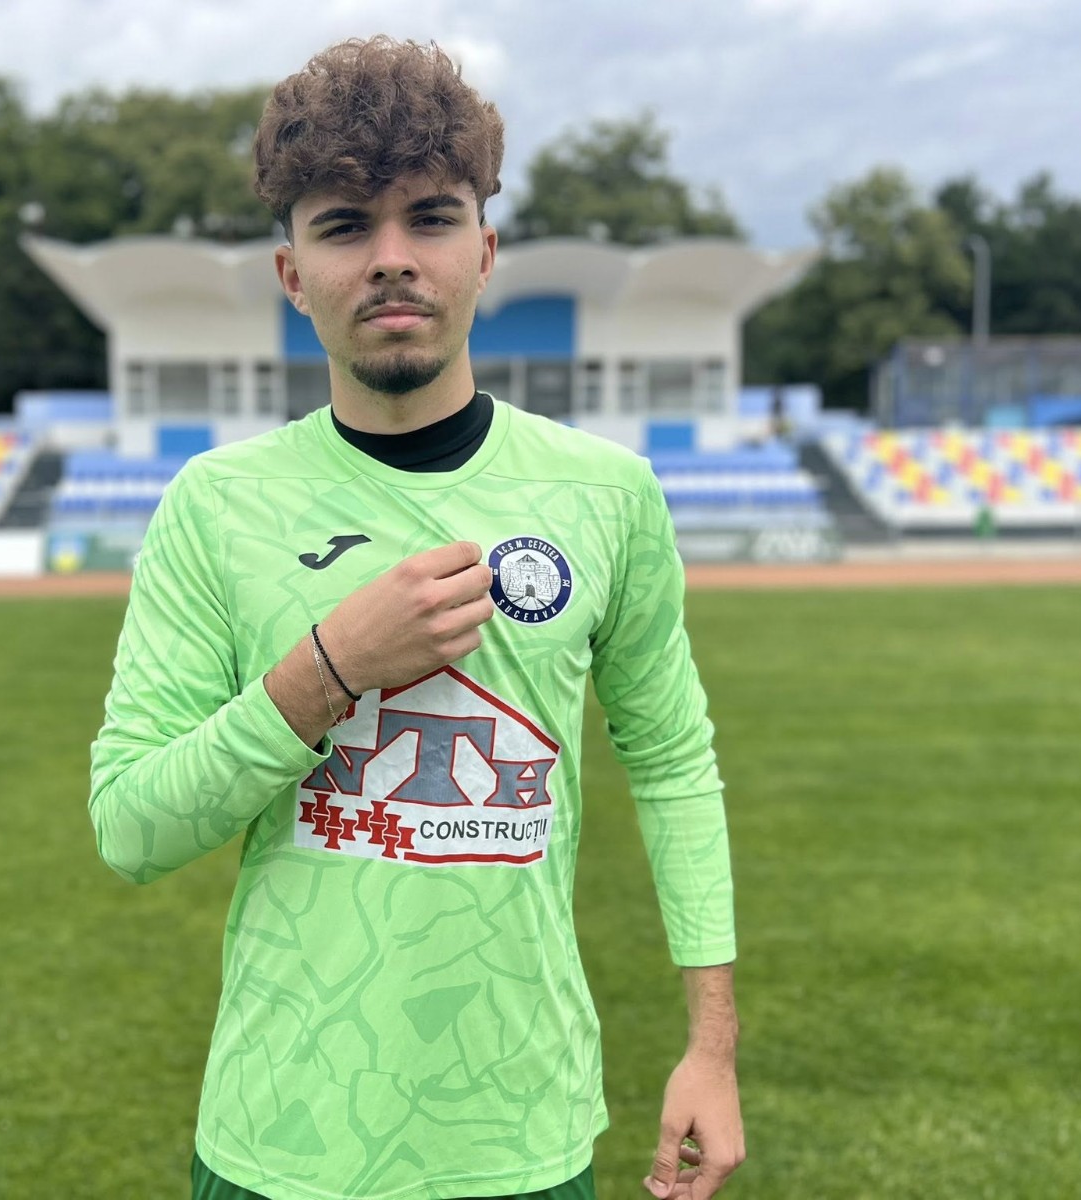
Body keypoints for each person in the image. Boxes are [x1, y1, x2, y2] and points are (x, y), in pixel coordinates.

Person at [89, 36, 743, 1200]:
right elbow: (131, 831)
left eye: (430, 218)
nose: (392, 258)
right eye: (345, 226)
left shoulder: (605, 494)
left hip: (520, 1133)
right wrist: (329, 666)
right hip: (281, 1140)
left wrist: (711, 1048)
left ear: (483, 253)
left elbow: (673, 765)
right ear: (292, 273)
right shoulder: (215, 505)